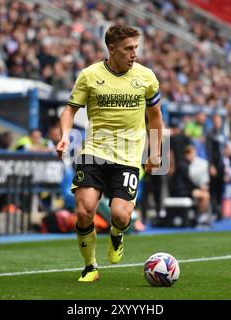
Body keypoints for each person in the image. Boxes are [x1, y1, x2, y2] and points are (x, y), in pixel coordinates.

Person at [56, 24, 163, 282]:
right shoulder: (90, 75)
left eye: (136, 48)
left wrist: (156, 152)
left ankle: (117, 234)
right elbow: (70, 110)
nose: (134, 53)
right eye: (128, 49)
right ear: (112, 49)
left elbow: (155, 116)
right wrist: (63, 136)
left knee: (120, 214)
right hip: (94, 153)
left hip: (128, 158)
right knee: (83, 212)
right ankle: (90, 266)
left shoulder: (146, 77)